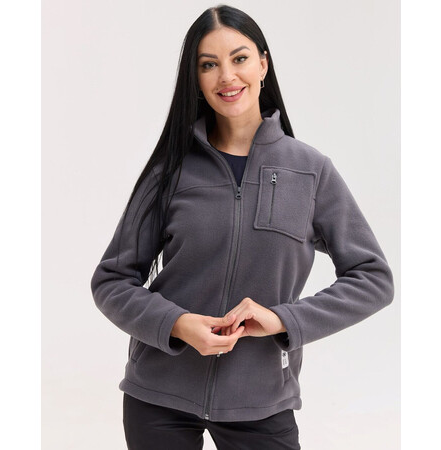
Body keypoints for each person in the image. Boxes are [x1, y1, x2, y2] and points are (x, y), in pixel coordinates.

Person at [90, 4, 394, 449]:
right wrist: (177, 324)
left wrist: (283, 320)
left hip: (262, 402)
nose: (226, 76)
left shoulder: (310, 171)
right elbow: (112, 281)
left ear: (263, 64)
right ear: (196, 79)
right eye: (208, 65)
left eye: (239, 58)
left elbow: (373, 279)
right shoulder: (171, 170)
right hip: (158, 396)